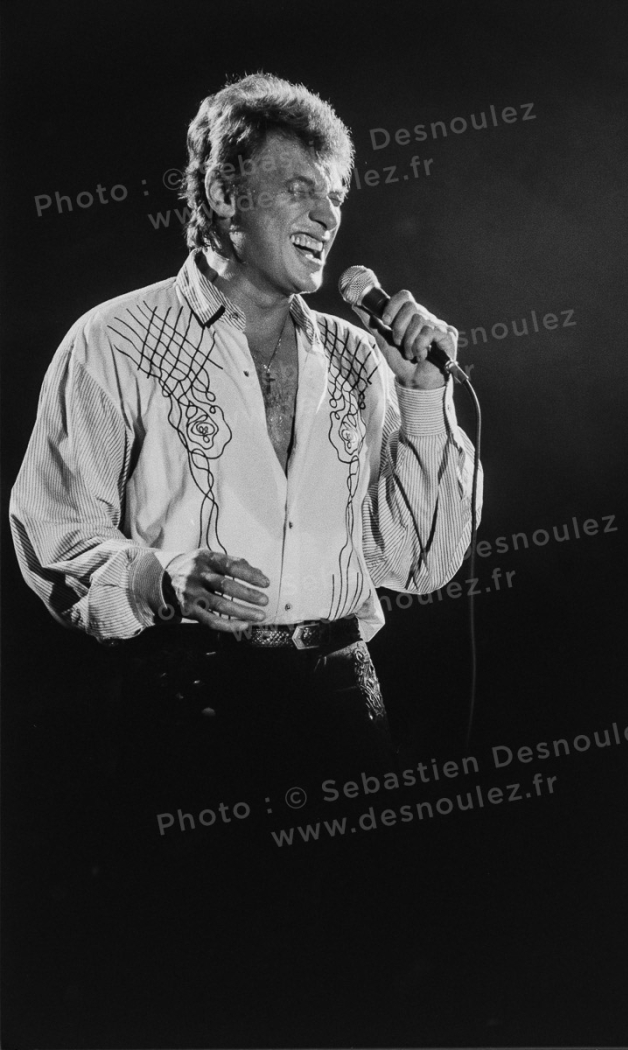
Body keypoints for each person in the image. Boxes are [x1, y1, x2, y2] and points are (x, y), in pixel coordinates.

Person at [9, 73, 482, 1038]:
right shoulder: (113, 341)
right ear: (225, 192)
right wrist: (157, 578)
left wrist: (424, 397)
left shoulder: (359, 359)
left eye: (335, 195)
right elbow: (53, 533)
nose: (327, 215)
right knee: (203, 987)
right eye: (299, 188)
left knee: (359, 990)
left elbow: (418, 559)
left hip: (341, 697)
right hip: (190, 702)